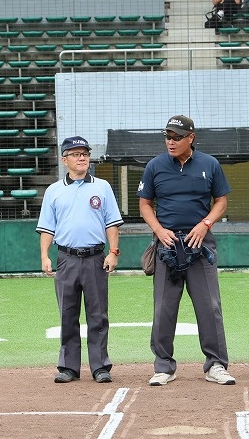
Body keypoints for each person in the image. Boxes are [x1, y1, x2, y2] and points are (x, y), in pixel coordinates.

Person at [138, 115, 233, 386]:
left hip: (199, 245)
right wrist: (159, 231)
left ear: (191, 138)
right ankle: (164, 367)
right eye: (167, 136)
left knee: (210, 306)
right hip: (167, 246)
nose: (170, 141)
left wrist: (205, 224)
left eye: (176, 137)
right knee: (163, 309)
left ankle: (216, 365)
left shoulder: (209, 164)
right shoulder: (155, 166)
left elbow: (221, 201)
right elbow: (145, 205)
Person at [37, 136, 122, 384]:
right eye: (75, 154)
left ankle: (100, 366)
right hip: (66, 259)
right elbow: (47, 228)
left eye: (84, 153)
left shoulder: (102, 187)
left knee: (98, 315)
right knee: (67, 314)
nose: (82, 157)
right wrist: (45, 256)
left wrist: (113, 252)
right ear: (64, 160)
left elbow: (112, 223)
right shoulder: (54, 191)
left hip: (96, 258)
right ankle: (68, 367)